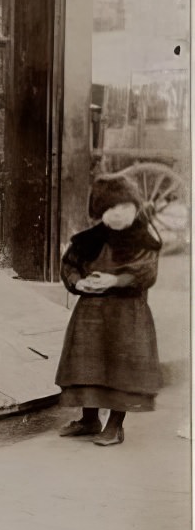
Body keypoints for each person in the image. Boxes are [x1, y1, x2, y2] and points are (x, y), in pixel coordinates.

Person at [55, 172, 163, 446]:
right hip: (90, 316)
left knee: (121, 368)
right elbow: (70, 265)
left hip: (127, 316)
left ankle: (115, 425)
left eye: (125, 207)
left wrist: (115, 280)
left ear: (136, 208)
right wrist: (79, 283)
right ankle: (89, 419)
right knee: (87, 363)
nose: (118, 214)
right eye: (111, 208)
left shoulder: (143, 240)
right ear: (100, 210)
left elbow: (146, 271)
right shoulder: (87, 240)